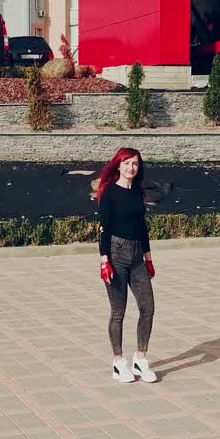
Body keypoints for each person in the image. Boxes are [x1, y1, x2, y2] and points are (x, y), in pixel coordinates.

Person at [96, 147, 157, 383]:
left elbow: (143, 228)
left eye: (135, 164)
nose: (131, 168)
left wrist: (149, 258)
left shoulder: (137, 193)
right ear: (118, 165)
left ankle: (140, 359)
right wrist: (104, 261)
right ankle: (118, 362)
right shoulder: (109, 192)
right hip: (116, 254)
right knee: (118, 312)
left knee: (148, 308)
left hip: (137, 256)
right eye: (127, 163)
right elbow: (103, 228)